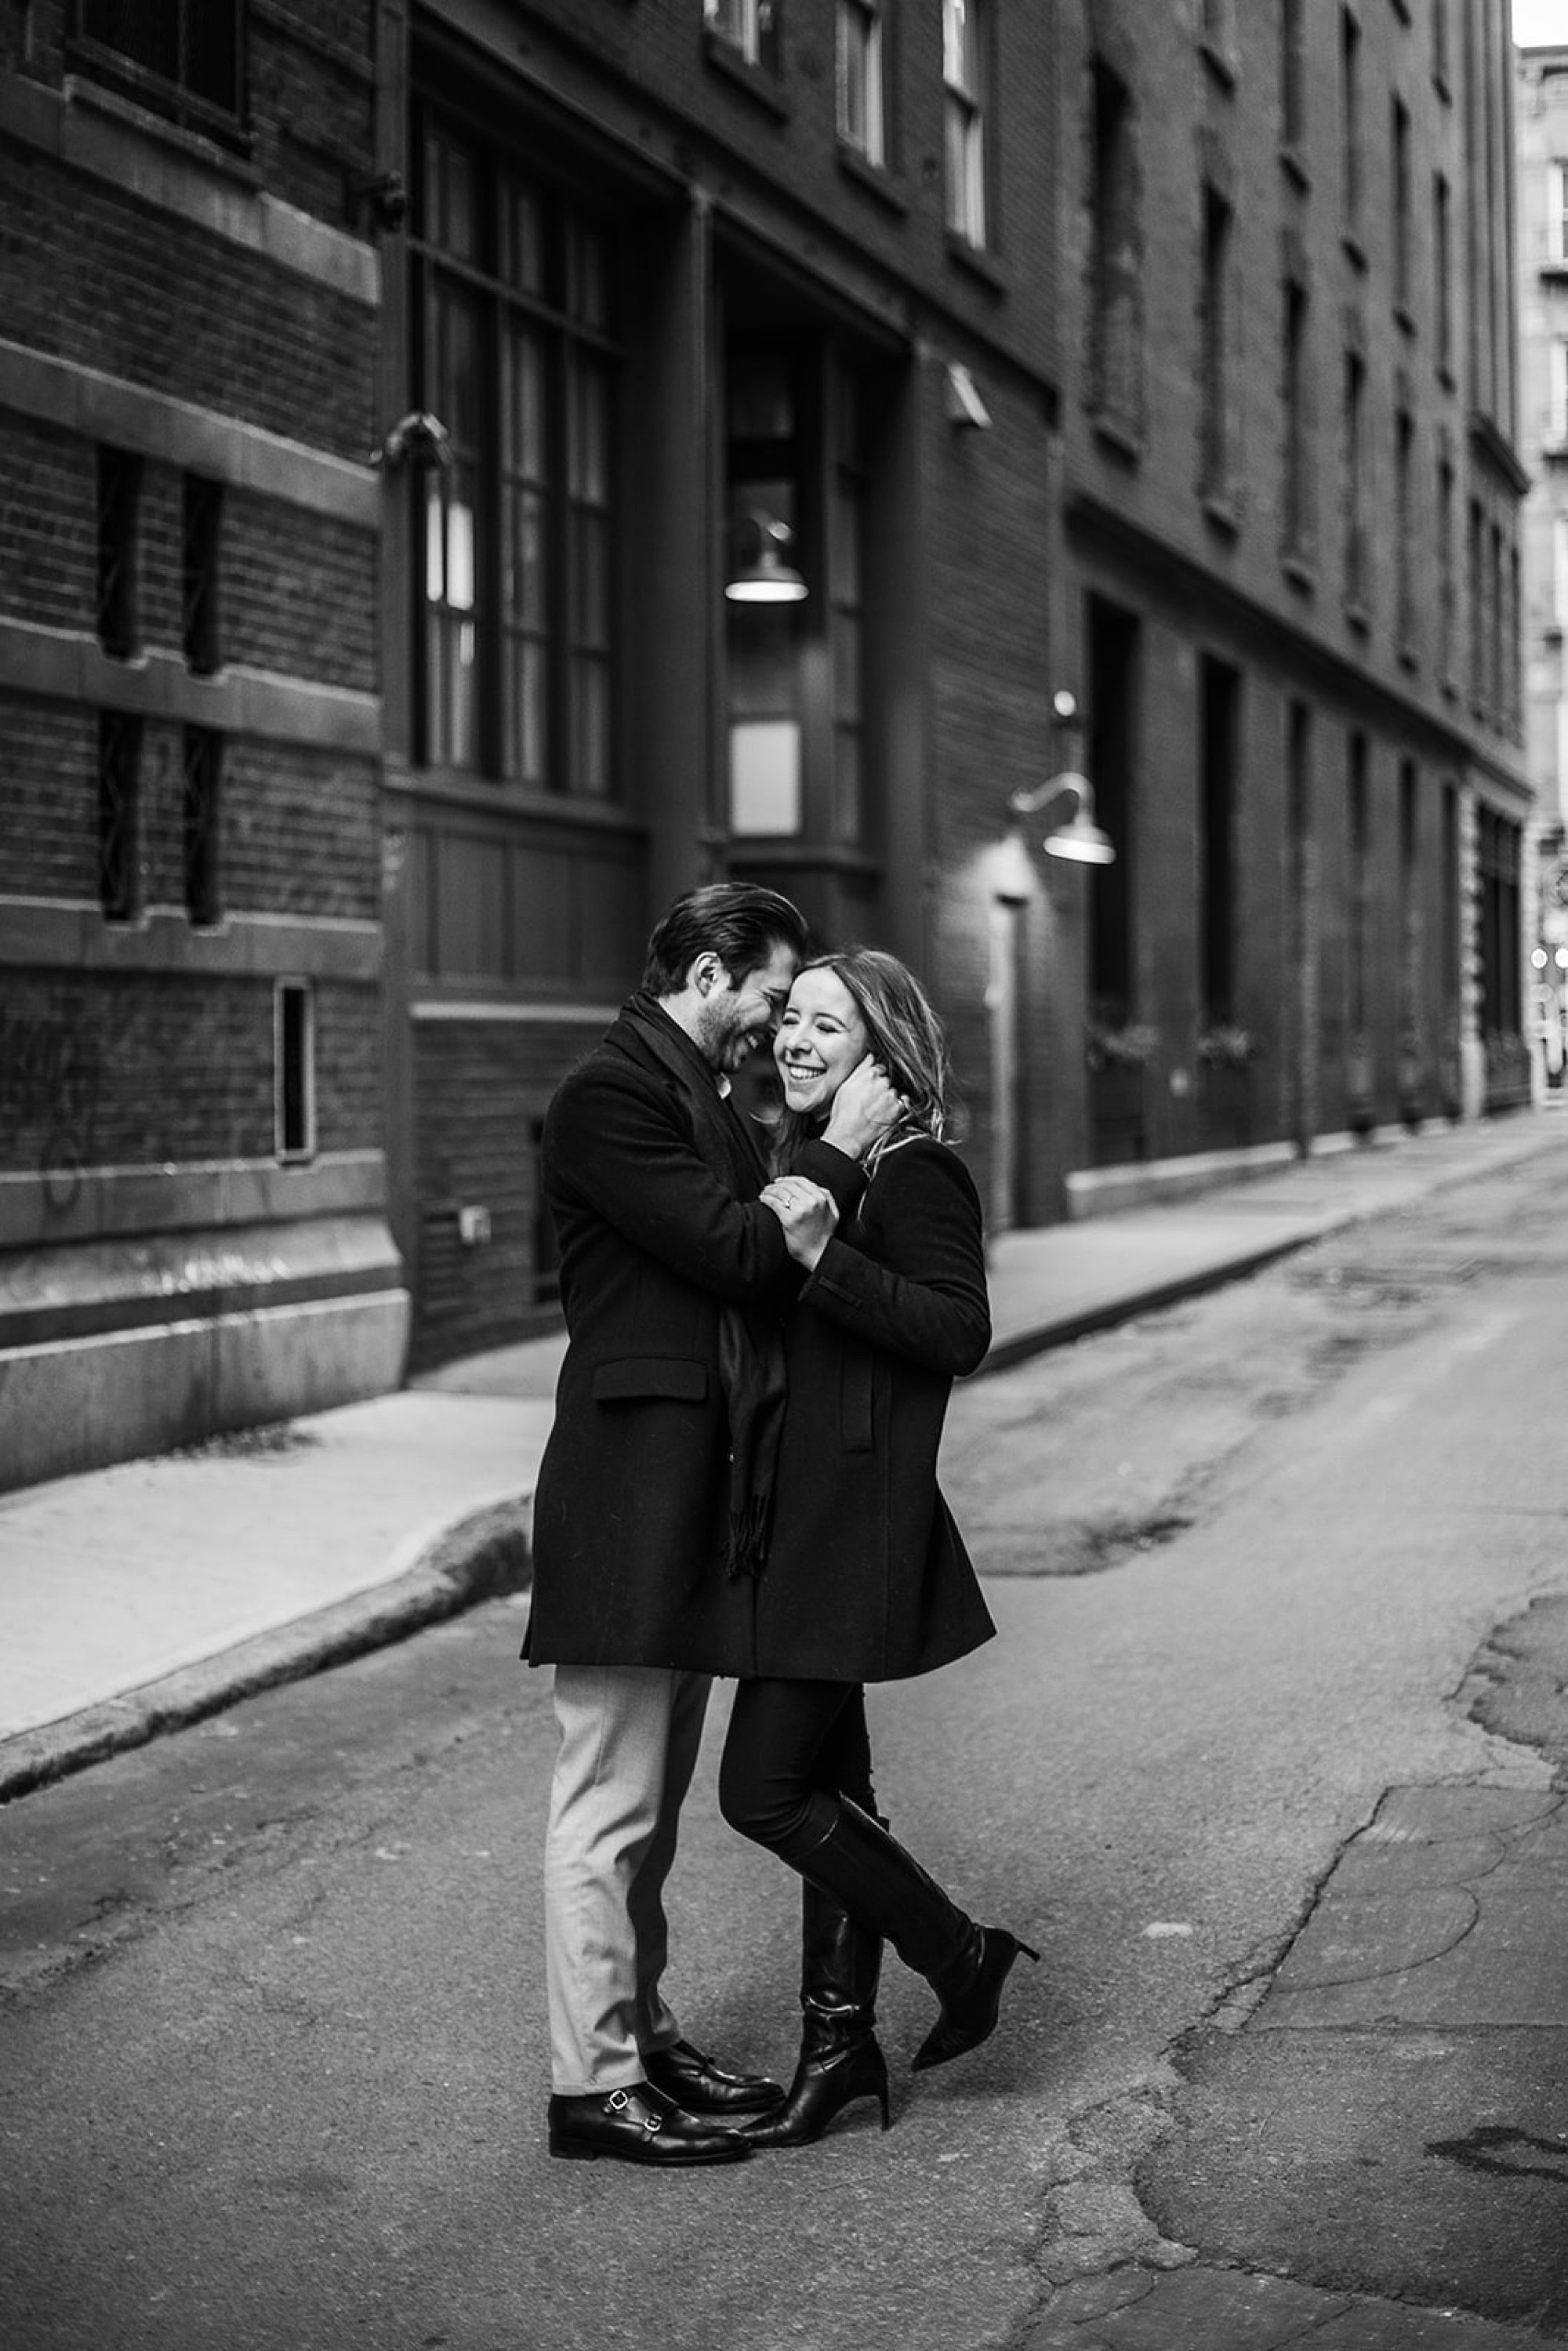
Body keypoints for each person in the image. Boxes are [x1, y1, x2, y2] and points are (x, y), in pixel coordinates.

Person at [525, 887, 902, 2167]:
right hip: (630, 1494)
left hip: (690, 1499)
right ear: (704, 973)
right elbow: (746, 1254)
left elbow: (772, 1242)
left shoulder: (700, 1096)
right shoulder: (610, 1096)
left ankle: (640, 2034)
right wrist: (842, 1150)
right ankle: (593, 2086)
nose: (776, 1019)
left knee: (655, 1809)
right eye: (768, 993)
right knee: (607, 1806)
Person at [717, 948, 1036, 2147]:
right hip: (789, 1525)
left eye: (825, 1026)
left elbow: (960, 1330)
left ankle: (961, 1953)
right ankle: (837, 2048)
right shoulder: (808, 1161)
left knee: (762, 1791)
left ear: (880, 1056)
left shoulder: (917, 1171)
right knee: (830, 1787)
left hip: (848, 1524)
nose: (795, 1040)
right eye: (789, 1019)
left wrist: (823, 1260)